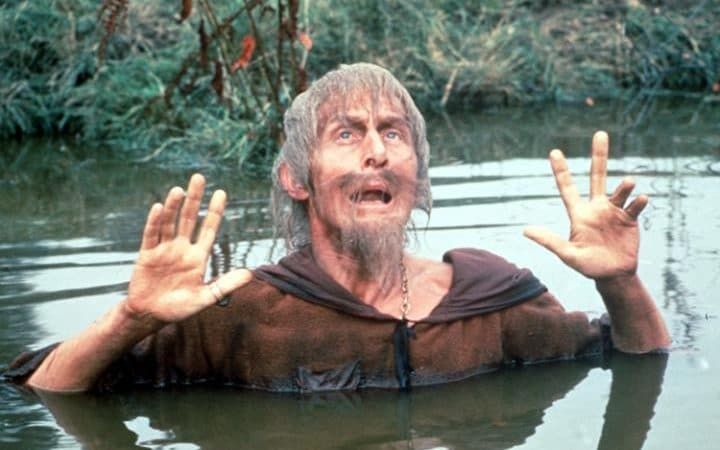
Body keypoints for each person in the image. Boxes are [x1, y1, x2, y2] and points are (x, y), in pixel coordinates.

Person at [4, 63, 670, 393]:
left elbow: (638, 358)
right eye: (346, 134)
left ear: (417, 175)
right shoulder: (242, 312)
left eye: (393, 134)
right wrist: (130, 319)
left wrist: (623, 284)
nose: (376, 152)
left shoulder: (490, 297)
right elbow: (48, 390)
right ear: (297, 179)